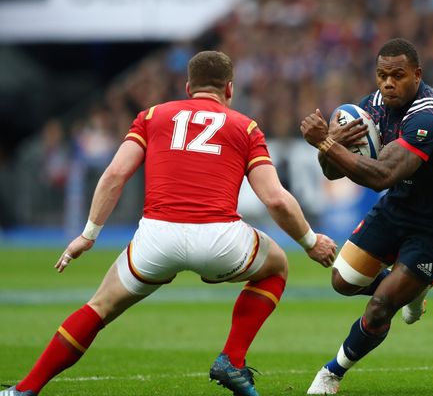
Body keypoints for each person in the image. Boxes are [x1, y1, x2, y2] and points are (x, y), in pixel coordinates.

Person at [0, 51, 337, 396]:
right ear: (230, 89)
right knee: (276, 266)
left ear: (188, 86)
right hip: (219, 240)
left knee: (98, 307)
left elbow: (115, 174)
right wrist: (310, 242)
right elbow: (276, 199)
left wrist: (88, 235)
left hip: (156, 238)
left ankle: (25, 390)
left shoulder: (152, 116)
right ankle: (232, 359)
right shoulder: (245, 126)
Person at [300, 38, 433, 395]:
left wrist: (327, 144)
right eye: (382, 75)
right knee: (343, 281)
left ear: (417, 74)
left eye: (397, 75)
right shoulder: (372, 107)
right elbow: (332, 171)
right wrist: (329, 144)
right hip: (399, 207)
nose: (387, 83)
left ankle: (332, 374)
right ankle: (411, 287)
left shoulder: (430, 115)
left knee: (380, 307)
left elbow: (383, 176)